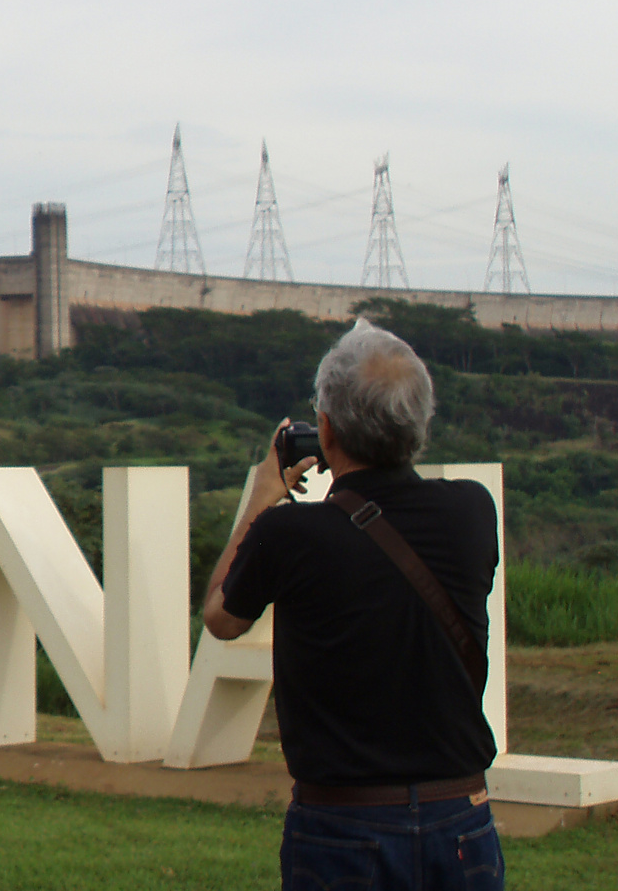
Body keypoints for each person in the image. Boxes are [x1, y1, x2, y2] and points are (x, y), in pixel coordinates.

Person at [203, 319, 503, 890]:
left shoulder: (287, 533)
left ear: (325, 430)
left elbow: (221, 616)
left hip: (342, 824)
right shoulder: (472, 511)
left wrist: (266, 492)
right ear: (419, 424)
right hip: (460, 819)